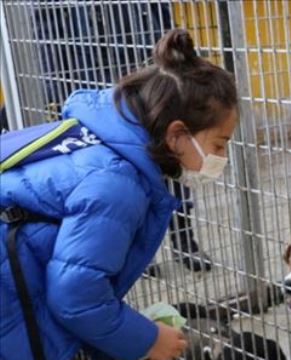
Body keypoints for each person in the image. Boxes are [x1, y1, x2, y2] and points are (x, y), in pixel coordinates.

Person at [0, 28, 238, 360]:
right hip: (9, 308)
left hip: (14, 302)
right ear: (177, 135)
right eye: (219, 143)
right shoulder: (117, 181)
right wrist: (149, 338)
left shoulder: (102, 141)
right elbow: (76, 294)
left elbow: (65, 277)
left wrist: (123, 346)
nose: (222, 156)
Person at [34, 1, 212, 272]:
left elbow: (160, 10)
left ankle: (184, 238)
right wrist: (55, 88)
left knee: (169, 152)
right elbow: (45, 24)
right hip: (89, 71)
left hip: (143, 64)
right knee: (122, 169)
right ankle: (137, 251)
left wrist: (175, 63)